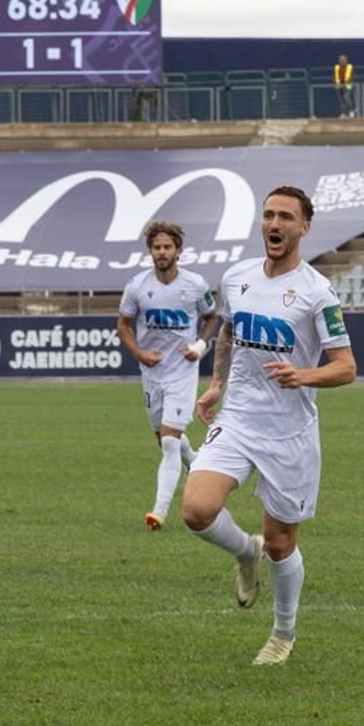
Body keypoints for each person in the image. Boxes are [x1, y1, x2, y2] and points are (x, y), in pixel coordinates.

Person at [181, 186, 356, 666]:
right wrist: (216, 385)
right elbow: (228, 335)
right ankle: (243, 552)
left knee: (281, 543)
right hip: (238, 419)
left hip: (290, 433)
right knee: (197, 509)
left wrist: (304, 374)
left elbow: (346, 367)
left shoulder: (318, 292)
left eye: (286, 217)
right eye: (268, 215)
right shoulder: (236, 278)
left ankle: (282, 634)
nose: (274, 224)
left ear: (304, 228)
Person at [117, 221, 219, 531]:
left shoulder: (195, 285)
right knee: (163, 439)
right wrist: (140, 354)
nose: (162, 252)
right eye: (157, 248)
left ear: (178, 251)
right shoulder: (137, 286)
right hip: (152, 373)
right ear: (150, 252)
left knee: (170, 444)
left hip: (183, 372)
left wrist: (200, 346)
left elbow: (212, 317)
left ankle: (158, 512)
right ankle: (199, 463)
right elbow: (123, 324)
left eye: (167, 247)